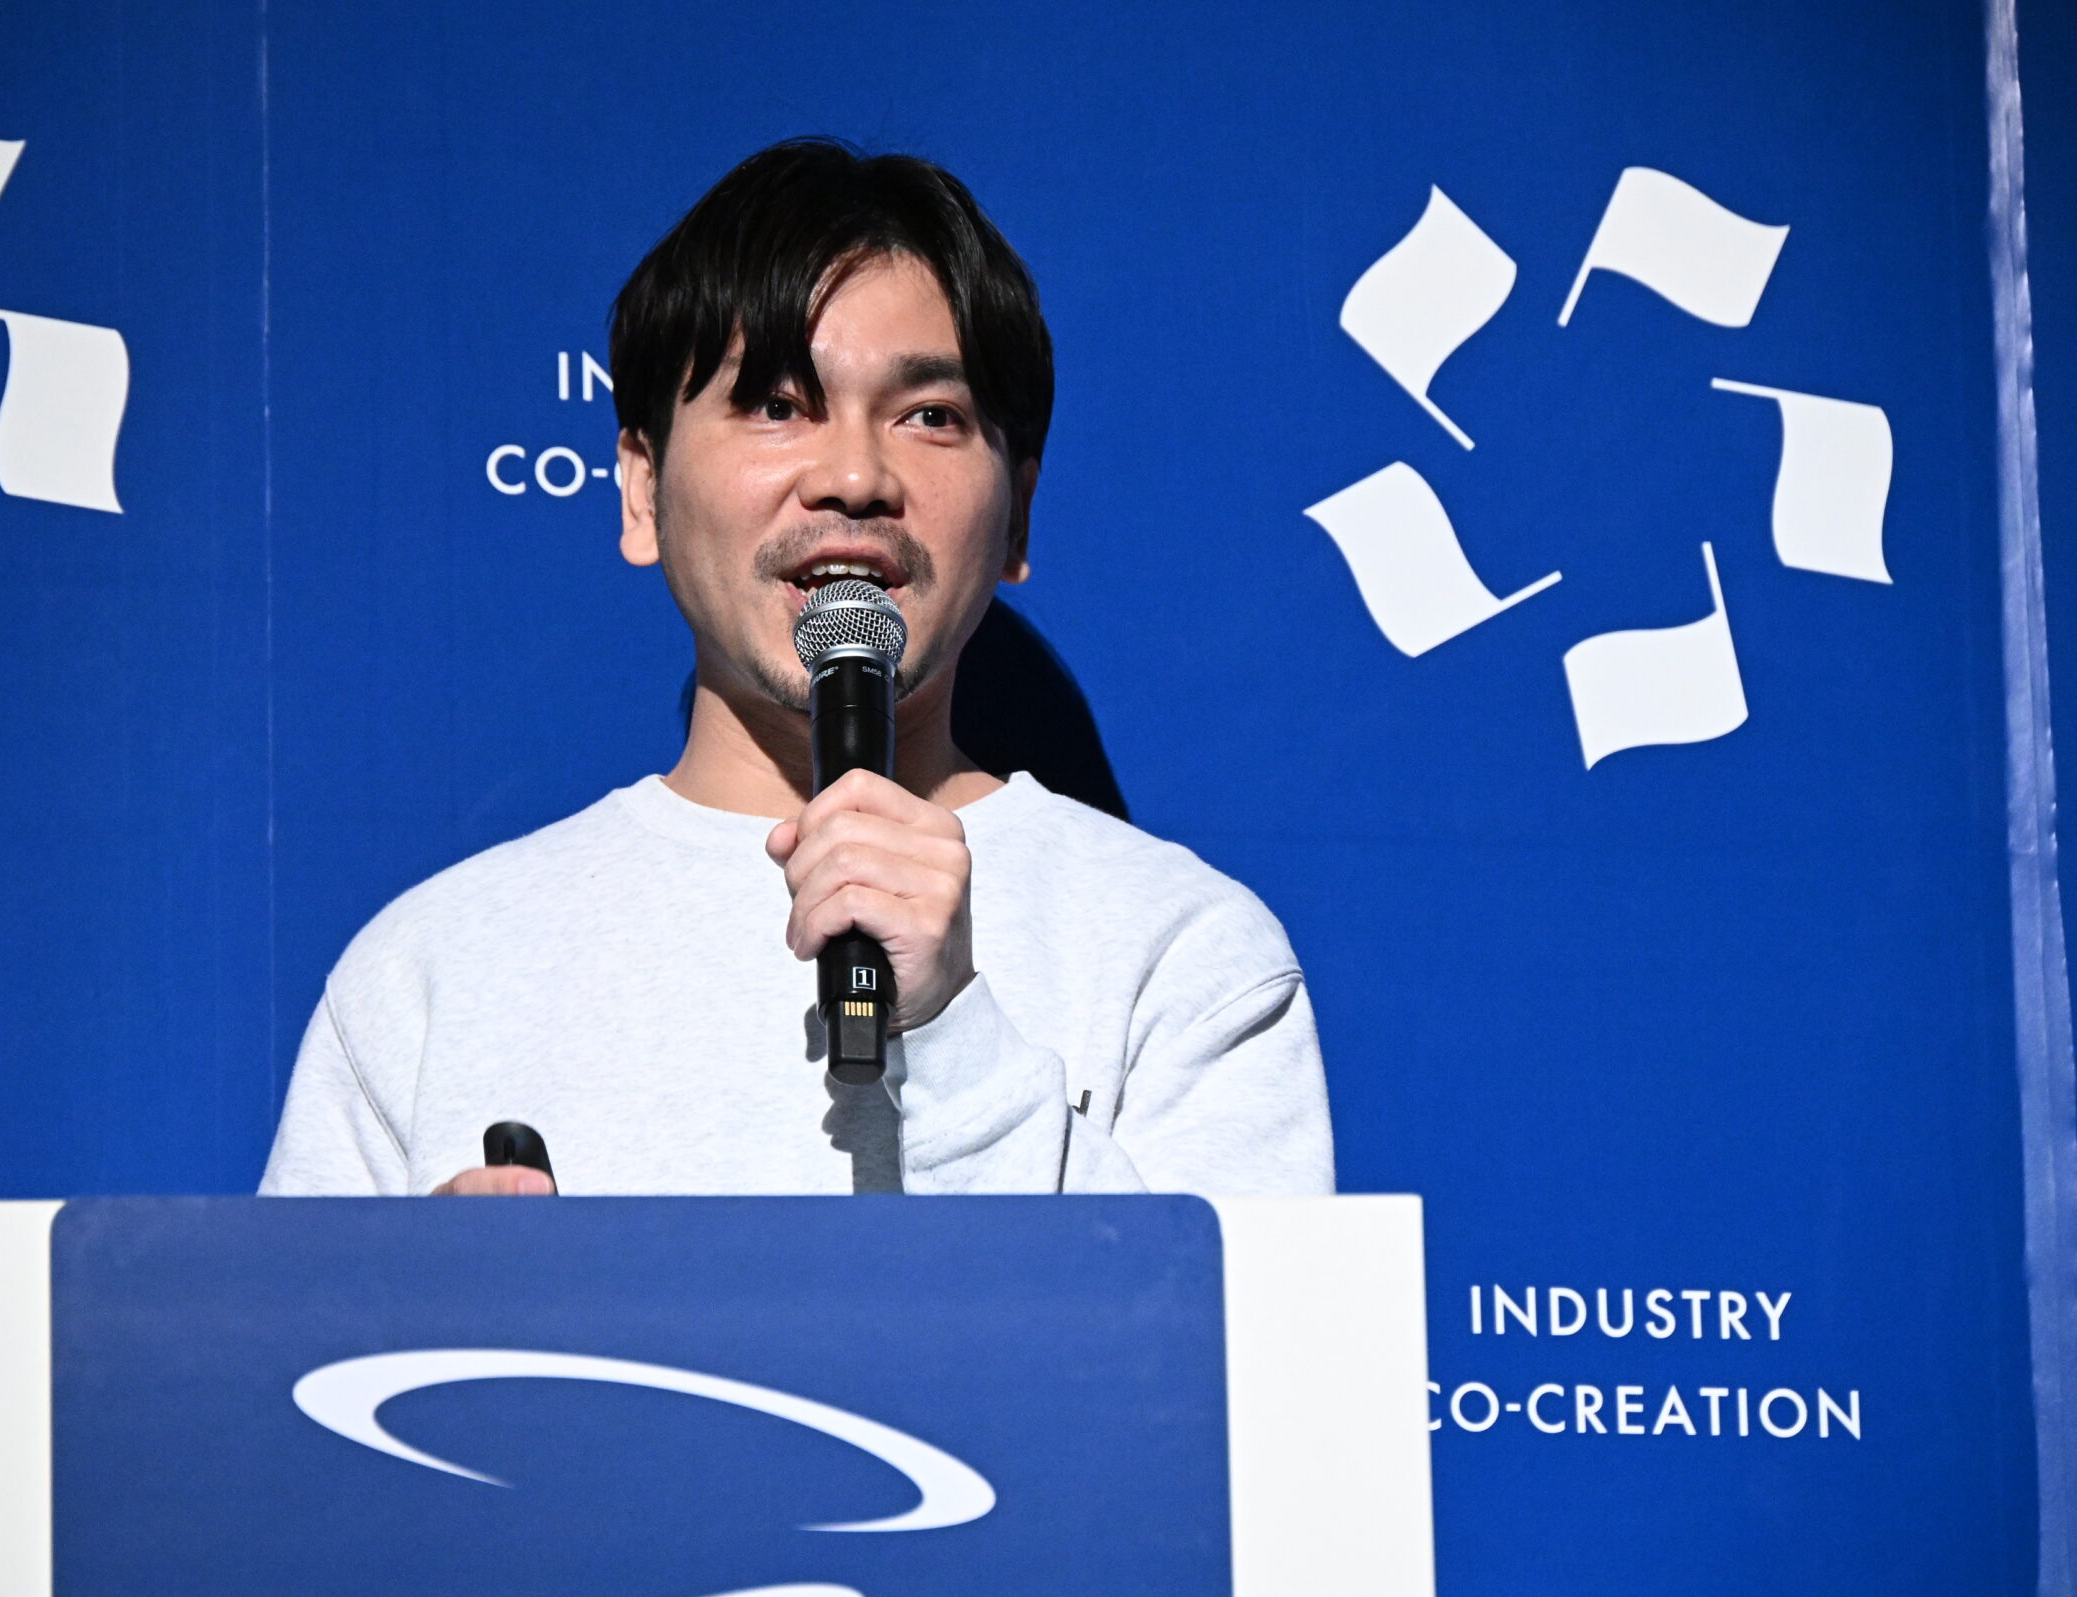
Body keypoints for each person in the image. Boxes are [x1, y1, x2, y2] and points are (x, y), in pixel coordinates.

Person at [260, 140, 1332, 1198]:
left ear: (1019, 512)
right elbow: (287, 1326)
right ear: (641, 490)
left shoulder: (1181, 954)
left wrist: (958, 1038)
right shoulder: (431, 973)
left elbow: (1233, 1320)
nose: (855, 477)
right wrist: (419, 1296)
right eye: (777, 405)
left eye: (930, 417)